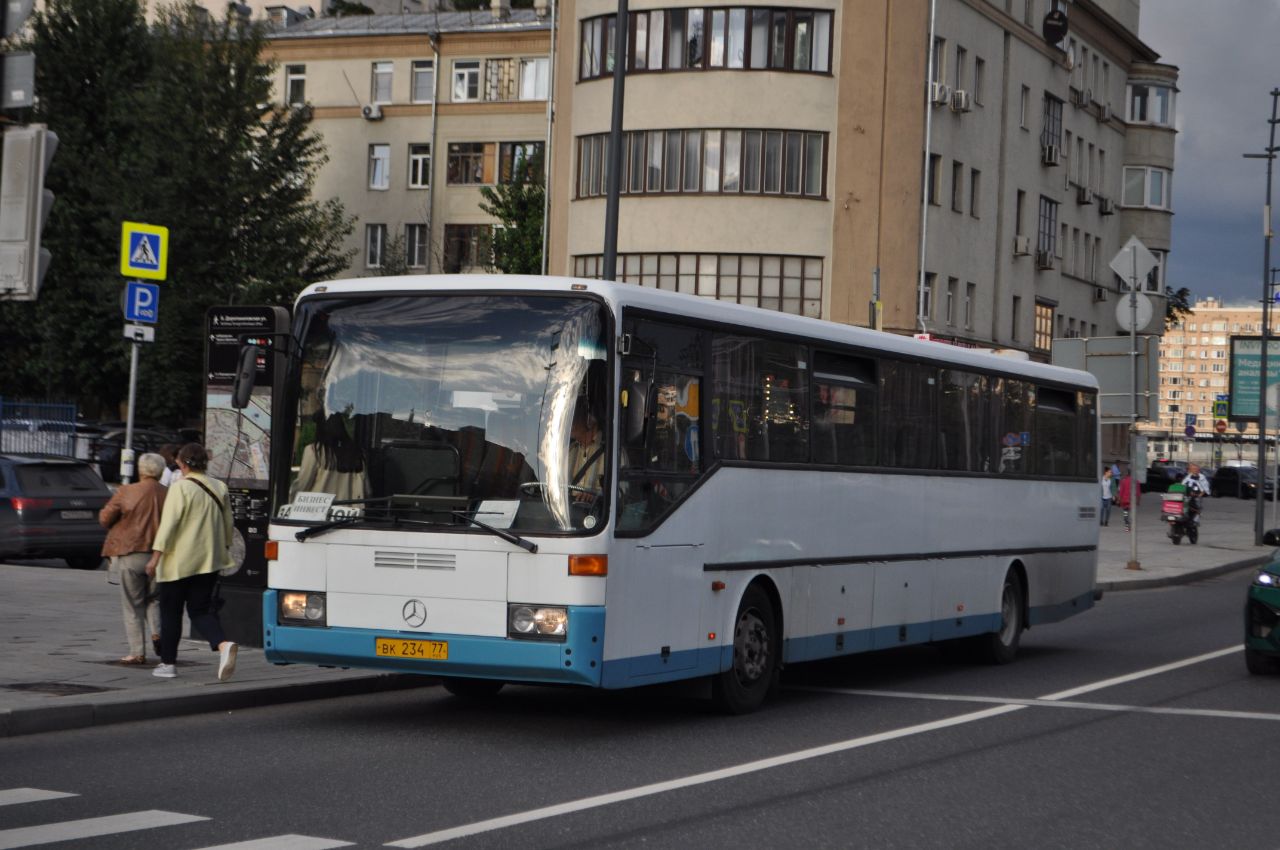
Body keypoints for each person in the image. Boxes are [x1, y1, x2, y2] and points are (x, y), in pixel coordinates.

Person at [145, 444, 238, 681]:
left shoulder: (180, 488)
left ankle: (168, 664)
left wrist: (155, 557)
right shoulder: (220, 487)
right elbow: (228, 527)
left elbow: (169, 525)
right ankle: (222, 644)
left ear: (183, 463)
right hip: (209, 561)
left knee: (171, 613)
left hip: (179, 562)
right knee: (199, 610)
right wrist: (222, 549)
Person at [99, 452, 167, 665]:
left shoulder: (126, 491)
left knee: (132, 604)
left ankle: (137, 652)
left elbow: (105, 518)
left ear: (140, 470)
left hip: (132, 553)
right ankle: (157, 633)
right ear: (162, 470)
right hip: (161, 556)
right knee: (155, 599)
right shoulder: (169, 494)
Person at [291, 412, 367, 502]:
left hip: (319, 512)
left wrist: (288, 498)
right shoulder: (356, 452)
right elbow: (366, 489)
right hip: (349, 512)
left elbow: (302, 484)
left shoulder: (314, 451)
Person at [567, 399, 604, 501]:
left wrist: (597, 495)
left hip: (598, 513)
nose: (569, 422)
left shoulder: (613, 454)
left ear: (590, 420)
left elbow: (621, 494)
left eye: (574, 416)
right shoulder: (570, 451)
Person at [1116, 467, 1140, 532]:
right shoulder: (1136, 481)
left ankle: (1127, 527)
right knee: (1132, 514)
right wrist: (1138, 501)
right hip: (1133, 501)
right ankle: (1132, 526)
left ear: (1127, 473)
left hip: (1125, 501)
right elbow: (1138, 492)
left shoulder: (1123, 481)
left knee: (1125, 514)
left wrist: (1119, 500)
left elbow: (1121, 491)